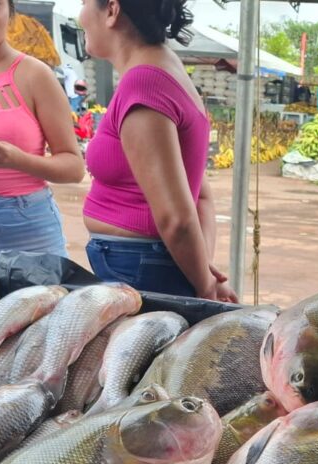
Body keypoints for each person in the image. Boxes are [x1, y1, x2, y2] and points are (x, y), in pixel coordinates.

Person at [78, 0, 236, 301]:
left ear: (111, 10)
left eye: (84, 2)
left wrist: (204, 288)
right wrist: (202, 269)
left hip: (140, 269)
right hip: (146, 265)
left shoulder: (144, 84)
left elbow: (176, 219)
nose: (80, 16)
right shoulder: (164, 66)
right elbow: (199, 194)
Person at [0, 0, 86, 268]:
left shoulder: (35, 75)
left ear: (9, 9)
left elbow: (73, 167)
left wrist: (17, 160)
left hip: (31, 231)